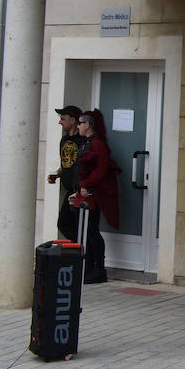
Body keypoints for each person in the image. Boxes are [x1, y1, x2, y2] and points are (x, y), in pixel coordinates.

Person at [74, 109, 121, 284]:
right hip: (87, 191)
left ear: (88, 125)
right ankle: (91, 267)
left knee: (92, 230)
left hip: (94, 193)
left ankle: (99, 269)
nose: (78, 126)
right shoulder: (87, 142)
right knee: (87, 230)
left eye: (80, 123)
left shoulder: (97, 143)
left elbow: (101, 168)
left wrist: (86, 184)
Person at [47, 105, 85, 242]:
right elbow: (66, 164)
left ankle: (84, 253)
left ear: (73, 120)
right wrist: (57, 174)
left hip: (80, 190)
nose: (60, 122)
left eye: (63, 119)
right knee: (64, 224)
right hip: (69, 190)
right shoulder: (63, 140)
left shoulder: (83, 141)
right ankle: (79, 250)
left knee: (77, 226)